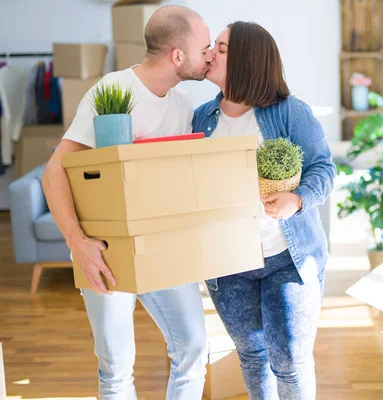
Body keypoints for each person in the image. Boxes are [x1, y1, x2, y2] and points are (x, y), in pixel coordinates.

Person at [42, 6, 213, 399]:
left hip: (161, 245)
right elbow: (55, 172)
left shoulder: (182, 102)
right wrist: (77, 243)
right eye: (204, 47)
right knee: (116, 368)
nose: (209, 55)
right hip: (104, 247)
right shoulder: (113, 90)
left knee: (192, 348)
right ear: (177, 55)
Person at [192, 21, 335, 400]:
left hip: (287, 257)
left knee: (289, 359)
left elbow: (324, 168)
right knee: (252, 356)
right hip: (228, 264)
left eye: (220, 50)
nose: (208, 54)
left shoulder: (289, 112)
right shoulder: (201, 119)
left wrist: (298, 199)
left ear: (245, 61)